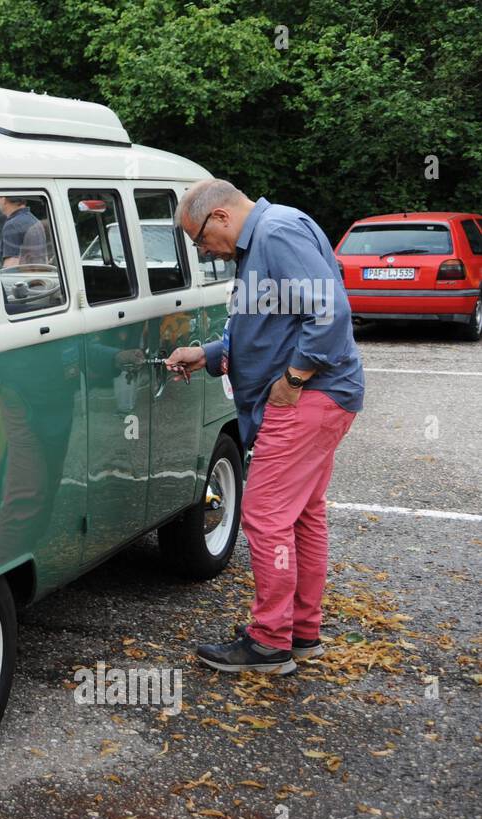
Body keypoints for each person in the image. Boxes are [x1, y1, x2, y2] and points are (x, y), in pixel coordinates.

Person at [165, 178, 364, 675]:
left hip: (308, 398)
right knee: (301, 515)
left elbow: (329, 313)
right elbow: (263, 324)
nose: (204, 250)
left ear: (220, 218)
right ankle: (300, 631)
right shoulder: (263, 243)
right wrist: (209, 355)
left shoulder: (276, 234)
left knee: (266, 514)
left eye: (199, 239)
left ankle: (269, 641)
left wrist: (294, 378)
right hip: (321, 397)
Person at [0, 196, 47, 267]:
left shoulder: (12, 225)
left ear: (3, 199)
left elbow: (11, 266)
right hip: (36, 275)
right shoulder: (35, 221)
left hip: (24, 276)